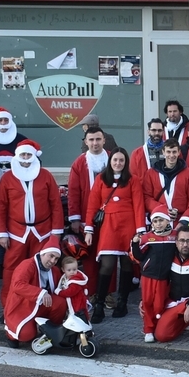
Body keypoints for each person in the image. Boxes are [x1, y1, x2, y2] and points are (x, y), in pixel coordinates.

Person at [0, 140, 64, 310]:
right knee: (11, 269)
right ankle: (9, 306)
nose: (26, 159)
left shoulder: (45, 175)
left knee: (41, 268)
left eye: (28, 155)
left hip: (43, 231)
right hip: (16, 231)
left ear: (34, 156)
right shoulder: (8, 177)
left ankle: (37, 305)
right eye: (23, 155)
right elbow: (0, 206)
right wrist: (1, 233)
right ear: (17, 156)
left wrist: (56, 232)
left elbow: (55, 204)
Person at [84, 149, 146, 322]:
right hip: (109, 226)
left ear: (126, 162)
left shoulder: (132, 180)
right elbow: (92, 205)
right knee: (107, 265)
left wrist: (140, 231)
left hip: (128, 225)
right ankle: (99, 305)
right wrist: (88, 229)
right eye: (115, 160)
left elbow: (139, 205)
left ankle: (122, 303)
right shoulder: (101, 179)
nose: (118, 163)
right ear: (110, 161)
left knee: (127, 264)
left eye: (121, 160)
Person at [68, 126, 110, 293]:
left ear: (104, 140)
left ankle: (107, 293)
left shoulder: (113, 160)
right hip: (87, 219)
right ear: (86, 142)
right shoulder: (79, 163)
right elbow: (73, 192)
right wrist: (75, 218)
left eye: (98, 139)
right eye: (91, 140)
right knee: (89, 258)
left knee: (109, 256)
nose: (95, 143)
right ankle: (92, 291)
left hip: (110, 219)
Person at [3, 237, 65, 347]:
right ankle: (10, 334)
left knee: (60, 303)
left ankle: (52, 332)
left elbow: (61, 289)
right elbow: (18, 285)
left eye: (56, 259)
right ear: (42, 253)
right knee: (27, 335)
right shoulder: (27, 265)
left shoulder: (55, 270)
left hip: (40, 306)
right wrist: (41, 293)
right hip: (22, 306)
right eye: (51, 256)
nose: (53, 261)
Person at [133, 212, 176, 342]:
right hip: (148, 276)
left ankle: (159, 326)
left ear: (168, 221)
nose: (158, 224)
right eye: (155, 221)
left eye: (161, 220)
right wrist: (134, 243)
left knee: (159, 304)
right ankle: (148, 329)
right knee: (147, 302)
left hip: (164, 277)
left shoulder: (174, 236)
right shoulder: (147, 237)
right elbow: (138, 256)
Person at [143, 139, 189, 224]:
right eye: (168, 152)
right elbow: (147, 198)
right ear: (163, 152)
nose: (171, 155)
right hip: (158, 222)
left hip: (180, 222)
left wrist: (183, 222)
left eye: (174, 152)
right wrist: (163, 210)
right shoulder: (151, 173)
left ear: (179, 152)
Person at [56, 255, 90, 320]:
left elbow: (69, 292)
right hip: (72, 302)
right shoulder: (64, 278)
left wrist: (58, 292)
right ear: (63, 270)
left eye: (74, 269)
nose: (72, 272)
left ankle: (84, 328)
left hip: (78, 303)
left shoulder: (76, 281)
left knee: (80, 317)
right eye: (69, 270)